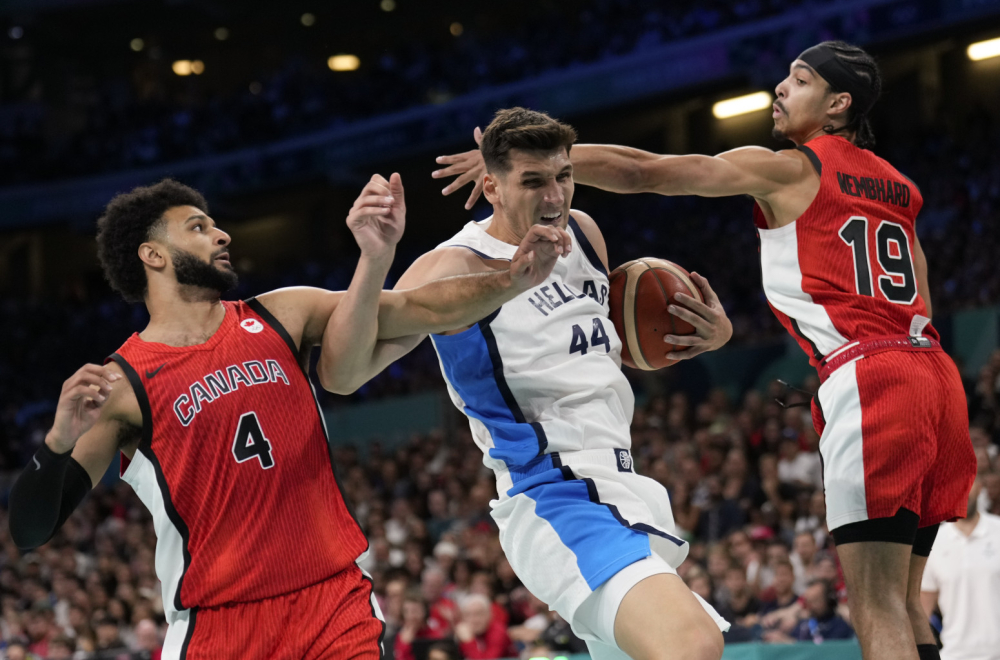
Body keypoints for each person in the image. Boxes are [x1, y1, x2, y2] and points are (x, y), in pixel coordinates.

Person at [435, 39, 976, 660]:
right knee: (908, 599)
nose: (781, 88)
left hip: (871, 375)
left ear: (838, 105)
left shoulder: (792, 168)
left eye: (800, 80)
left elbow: (646, 171)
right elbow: (921, 298)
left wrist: (528, 161)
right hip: (935, 374)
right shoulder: (900, 187)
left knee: (875, 603)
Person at [7, 176, 569, 659]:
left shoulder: (282, 313)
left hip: (333, 601)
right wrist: (57, 442)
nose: (222, 235)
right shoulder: (123, 385)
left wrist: (511, 280)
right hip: (219, 625)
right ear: (152, 256)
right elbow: (31, 530)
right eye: (199, 227)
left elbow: (415, 306)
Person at [406, 107, 733, 660]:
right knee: (692, 645)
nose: (555, 196)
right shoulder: (451, 266)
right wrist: (374, 259)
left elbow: (597, 350)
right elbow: (351, 361)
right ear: (492, 186)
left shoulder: (583, 234)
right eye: (534, 180)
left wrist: (704, 335)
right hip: (551, 491)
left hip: (622, 480)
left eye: (564, 176)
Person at [921, 476, 1000, 660]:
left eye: (967, 484)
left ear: (979, 487)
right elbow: (921, 611)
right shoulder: (934, 542)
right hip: (954, 654)